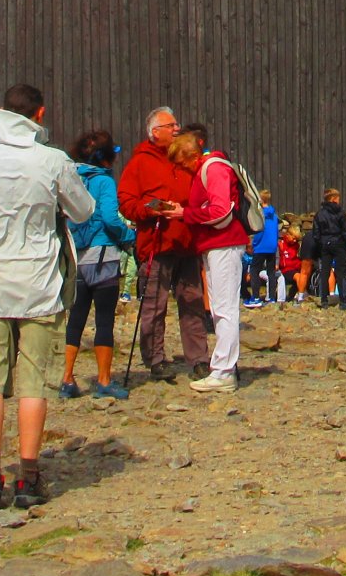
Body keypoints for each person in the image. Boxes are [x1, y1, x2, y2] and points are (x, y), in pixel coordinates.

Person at [0, 83, 91, 510]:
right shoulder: (52, 161)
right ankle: (28, 476)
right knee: (33, 382)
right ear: (40, 115)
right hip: (37, 282)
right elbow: (82, 211)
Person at [119, 106, 206, 383]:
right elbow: (127, 202)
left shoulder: (186, 158)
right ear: (155, 132)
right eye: (171, 126)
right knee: (154, 305)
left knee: (192, 302)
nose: (176, 129)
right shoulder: (140, 163)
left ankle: (199, 359)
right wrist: (150, 209)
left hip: (188, 242)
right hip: (157, 242)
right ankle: (155, 359)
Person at [60, 129, 137, 399]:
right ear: (106, 158)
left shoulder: (71, 178)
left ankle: (67, 378)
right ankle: (104, 380)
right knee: (104, 320)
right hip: (103, 255)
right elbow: (109, 218)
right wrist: (129, 236)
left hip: (76, 255)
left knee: (76, 318)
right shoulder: (104, 182)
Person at [173, 125, 249, 392]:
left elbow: (220, 211)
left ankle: (225, 371)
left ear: (190, 155)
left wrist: (186, 214)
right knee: (220, 307)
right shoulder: (208, 168)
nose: (181, 169)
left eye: (181, 164)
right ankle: (223, 367)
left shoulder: (213, 168)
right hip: (216, 244)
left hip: (224, 244)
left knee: (225, 308)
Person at [310, 190, 346, 308]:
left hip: (325, 243)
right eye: (338, 198)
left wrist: (321, 244)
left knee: (325, 272)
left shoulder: (320, 214)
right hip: (338, 242)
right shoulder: (340, 212)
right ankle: (343, 301)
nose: (339, 200)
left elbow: (316, 233)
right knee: (340, 272)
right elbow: (345, 231)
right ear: (333, 198)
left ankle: (324, 300)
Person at [246, 190, 279, 309]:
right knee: (271, 272)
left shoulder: (260, 214)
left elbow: (259, 231)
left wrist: (254, 243)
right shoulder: (274, 215)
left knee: (254, 270)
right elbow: (276, 231)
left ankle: (255, 297)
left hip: (261, 246)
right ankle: (271, 298)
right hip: (272, 246)